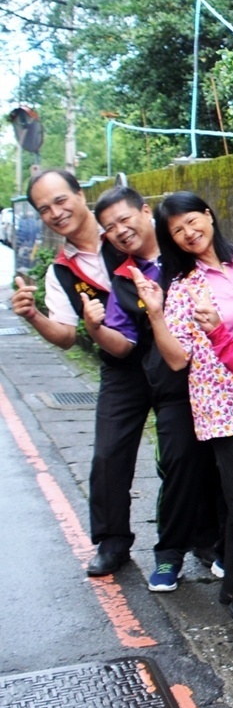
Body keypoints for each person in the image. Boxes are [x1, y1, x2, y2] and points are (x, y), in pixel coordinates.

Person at [131, 192, 233, 634]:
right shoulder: (182, 287)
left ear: (209, 214)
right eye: (177, 230)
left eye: (191, 221)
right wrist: (157, 315)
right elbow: (178, 360)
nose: (188, 232)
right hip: (222, 406)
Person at [11, 170, 144, 577]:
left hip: (171, 356)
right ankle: (111, 541)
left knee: (183, 455)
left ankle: (201, 539)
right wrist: (33, 316)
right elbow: (67, 336)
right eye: (45, 208)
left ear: (80, 194)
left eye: (61, 200)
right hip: (120, 367)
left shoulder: (123, 232)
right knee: (107, 455)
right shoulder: (61, 271)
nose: (55, 212)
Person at [92, 186, 223, 592]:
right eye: (110, 228)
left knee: (216, 466)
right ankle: (167, 553)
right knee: (175, 460)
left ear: (145, 212)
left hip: (218, 376)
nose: (120, 230)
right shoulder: (125, 277)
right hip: (167, 379)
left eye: (124, 219)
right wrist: (94, 327)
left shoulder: (188, 253)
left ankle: (215, 543)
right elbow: (125, 340)